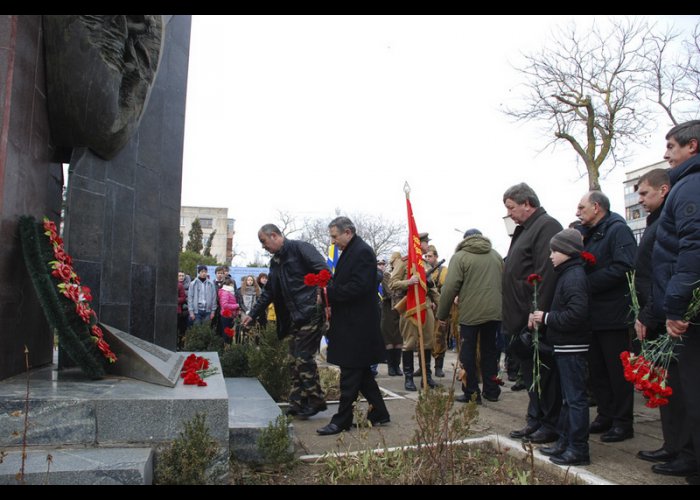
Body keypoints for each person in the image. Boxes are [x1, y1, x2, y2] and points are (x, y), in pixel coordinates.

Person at [632, 168, 692, 474]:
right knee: (667, 386)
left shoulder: (668, 220)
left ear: (664, 190)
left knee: (681, 390)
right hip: (657, 313)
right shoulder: (655, 221)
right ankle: (673, 445)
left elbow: (665, 270)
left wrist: (652, 312)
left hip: (667, 313)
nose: (640, 199)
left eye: (644, 193)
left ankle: (686, 451)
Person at [650, 120, 700, 485]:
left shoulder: (690, 187)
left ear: (691, 146)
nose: (666, 153)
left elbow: (692, 249)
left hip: (689, 314)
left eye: (671, 146)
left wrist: (676, 308)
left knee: (694, 394)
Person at [242, 224, 330, 419]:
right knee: (293, 361)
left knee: (303, 358)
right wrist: (253, 314)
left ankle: (316, 400)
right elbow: (269, 292)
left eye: (264, 242)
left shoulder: (300, 249)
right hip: (293, 319)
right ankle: (297, 403)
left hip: (310, 314)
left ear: (274, 236)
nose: (264, 247)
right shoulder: (276, 262)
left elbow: (323, 271)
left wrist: (317, 296)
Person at [317, 217, 390, 435]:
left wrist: (330, 292)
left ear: (347, 232)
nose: (333, 241)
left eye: (334, 236)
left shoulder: (363, 252)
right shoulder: (352, 251)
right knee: (362, 374)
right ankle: (380, 412)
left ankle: (341, 420)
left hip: (358, 326)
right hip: (351, 323)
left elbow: (360, 287)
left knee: (350, 373)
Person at [502, 182, 562, 445]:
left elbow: (544, 273)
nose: (509, 214)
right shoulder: (524, 229)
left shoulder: (546, 226)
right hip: (519, 316)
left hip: (533, 316)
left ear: (527, 203)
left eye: (511, 208)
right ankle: (535, 418)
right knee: (530, 373)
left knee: (543, 373)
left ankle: (549, 423)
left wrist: (536, 310)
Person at [576, 190, 637, 443]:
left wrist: (586, 283)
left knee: (616, 370)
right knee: (598, 369)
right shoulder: (590, 234)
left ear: (597, 207)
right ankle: (605, 414)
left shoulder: (617, 230)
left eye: (581, 207)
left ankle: (623, 421)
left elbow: (624, 267)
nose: (577, 212)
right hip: (595, 314)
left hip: (613, 314)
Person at [529, 228, 592, 466]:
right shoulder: (568, 273)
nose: (551, 255)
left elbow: (577, 314)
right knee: (568, 399)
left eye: (554, 250)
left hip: (573, 346)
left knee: (575, 399)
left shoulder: (574, 276)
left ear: (567, 251)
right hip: (566, 345)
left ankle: (578, 448)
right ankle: (566, 441)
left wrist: (546, 318)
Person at [436, 228, 503, 404]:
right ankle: (492, 390)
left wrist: (441, 314)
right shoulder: (495, 255)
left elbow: (449, 288)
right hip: (494, 312)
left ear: (465, 239)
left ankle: (471, 393)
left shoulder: (460, 257)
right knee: (490, 352)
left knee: (468, 353)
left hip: (470, 313)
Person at [389, 232, 440, 391]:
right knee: (409, 344)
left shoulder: (425, 264)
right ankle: (409, 378)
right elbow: (393, 283)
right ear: (419, 243)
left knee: (428, 343)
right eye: (425, 243)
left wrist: (440, 306)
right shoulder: (404, 262)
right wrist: (409, 282)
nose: (427, 246)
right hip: (409, 307)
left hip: (425, 305)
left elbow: (432, 288)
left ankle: (427, 377)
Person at [421, 245, 448, 377]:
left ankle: (438, 367)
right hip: (426, 307)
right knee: (424, 338)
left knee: (439, 338)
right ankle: (423, 368)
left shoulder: (443, 270)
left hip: (439, 308)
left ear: (436, 257)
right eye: (426, 256)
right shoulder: (423, 268)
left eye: (430, 256)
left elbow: (446, 287)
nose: (427, 258)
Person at [379, 257, 403, 376]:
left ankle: (397, 365)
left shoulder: (401, 275)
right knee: (389, 339)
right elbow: (389, 292)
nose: (382, 265)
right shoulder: (386, 276)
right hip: (388, 309)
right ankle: (390, 366)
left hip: (399, 310)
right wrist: (401, 290)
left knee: (398, 339)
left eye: (383, 263)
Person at [218, 277, 240, 343]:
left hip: (231, 315)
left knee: (229, 334)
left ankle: (228, 348)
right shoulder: (225, 292)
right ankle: (225, 349)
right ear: (229, 284)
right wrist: (237, 305)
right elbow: (225, 305)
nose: (233, 285)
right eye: (232, 284)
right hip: (226, 315)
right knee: (226, 334)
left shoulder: (230, 292)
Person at [176, 271, 188, 350]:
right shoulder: (177, 285)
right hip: (178, 309)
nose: (181, 277)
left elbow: (183, 298)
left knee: (182, 330)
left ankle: (181, 345)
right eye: (179, 275)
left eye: (182, 275)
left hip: (185, 311)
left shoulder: (189, 284)